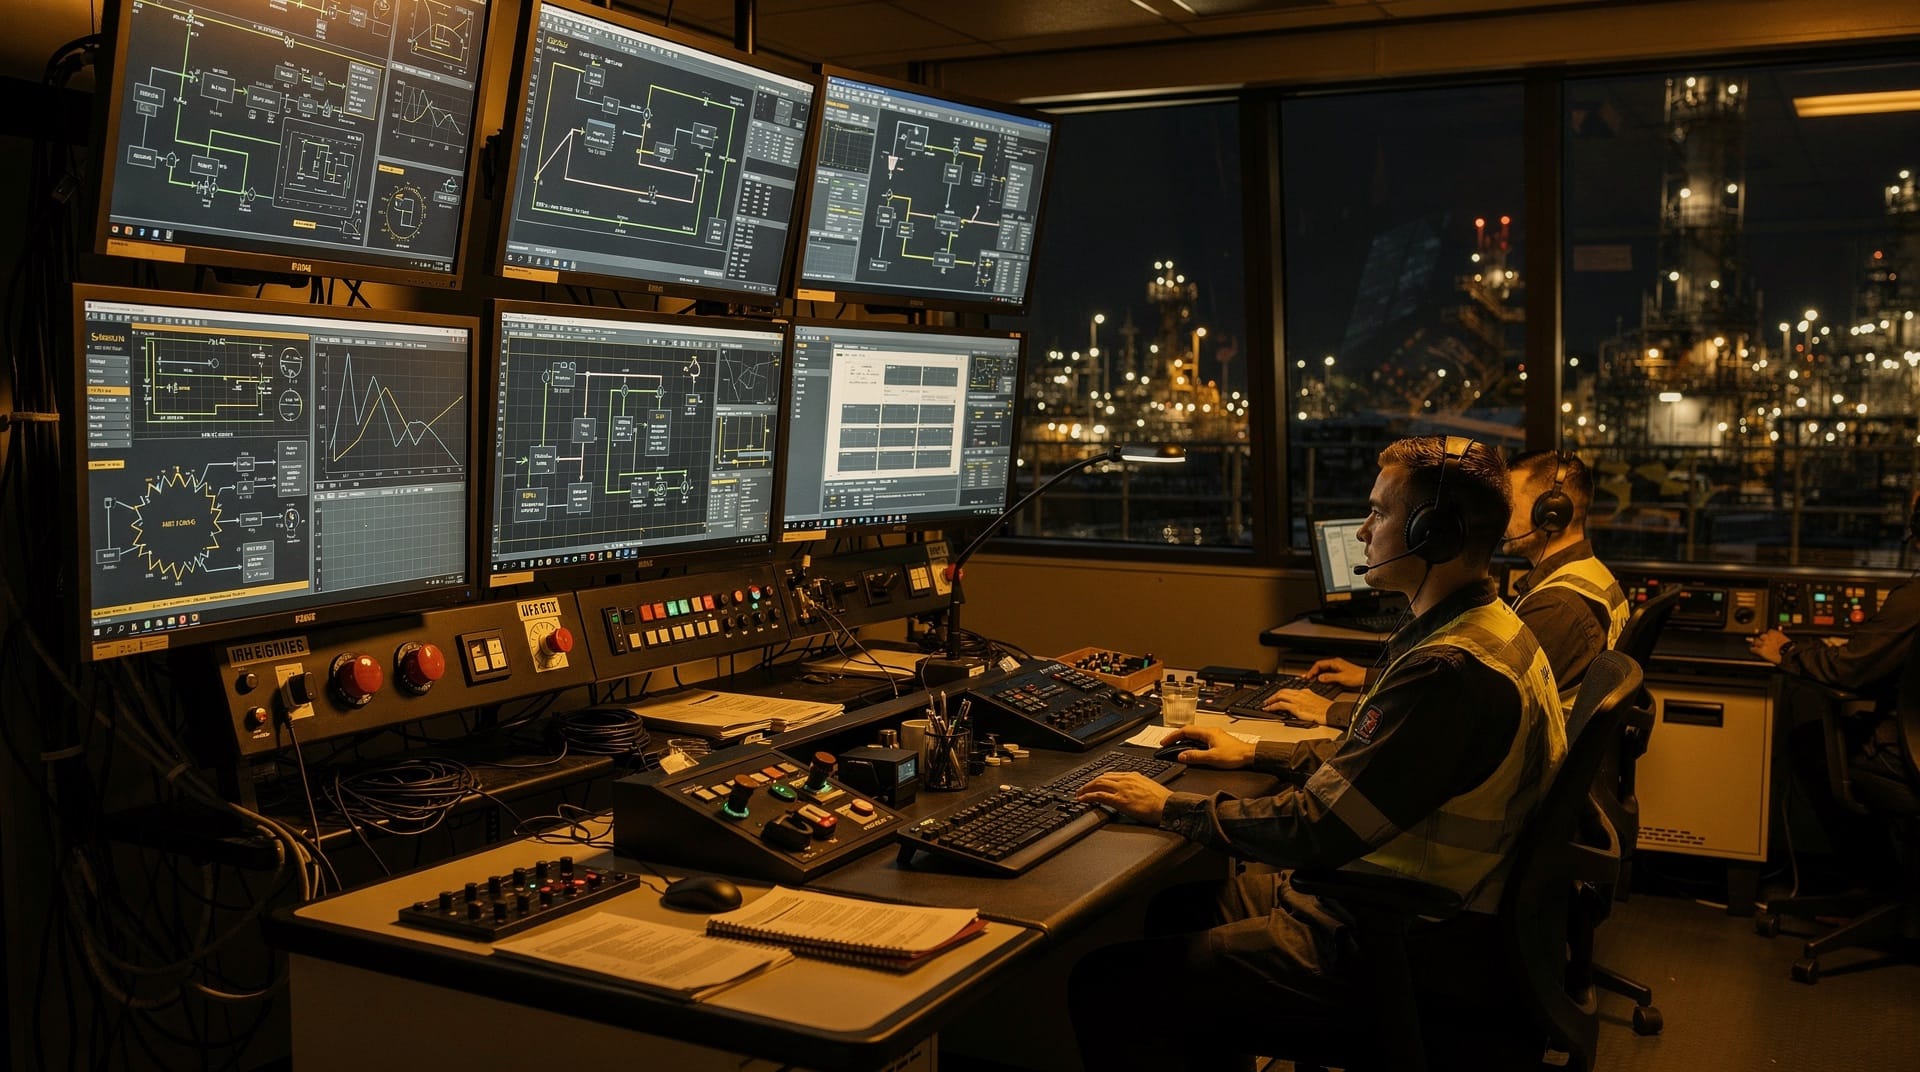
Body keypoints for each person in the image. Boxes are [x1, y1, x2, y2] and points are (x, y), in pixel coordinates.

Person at [1067, 436, 1564, 1070]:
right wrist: (1257, 755)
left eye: (1380, 513)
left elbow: (1317, 827)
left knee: (1109, 984)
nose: (1362, 532)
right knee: (1174, 909)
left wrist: (1171, 807)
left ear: (1432, 533)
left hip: (1401, 940)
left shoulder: (1449, 672)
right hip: (1434, 915)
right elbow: (1389, 772)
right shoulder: (1491, 627)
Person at [1267, 448, 1627, 727]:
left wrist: (1337, 711)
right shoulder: (1587, 576)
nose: (1499, 516)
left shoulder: (1558, 607)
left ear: (1551, 514)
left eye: (1510, 504)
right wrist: (1371, 678)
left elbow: (1461, 714)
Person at [1748, 501, 1920, 827]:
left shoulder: (1914, 599)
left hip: (1905, 760)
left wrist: (1786, 651)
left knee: (1810, 746)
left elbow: (1849, 670)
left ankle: (1870, 870)